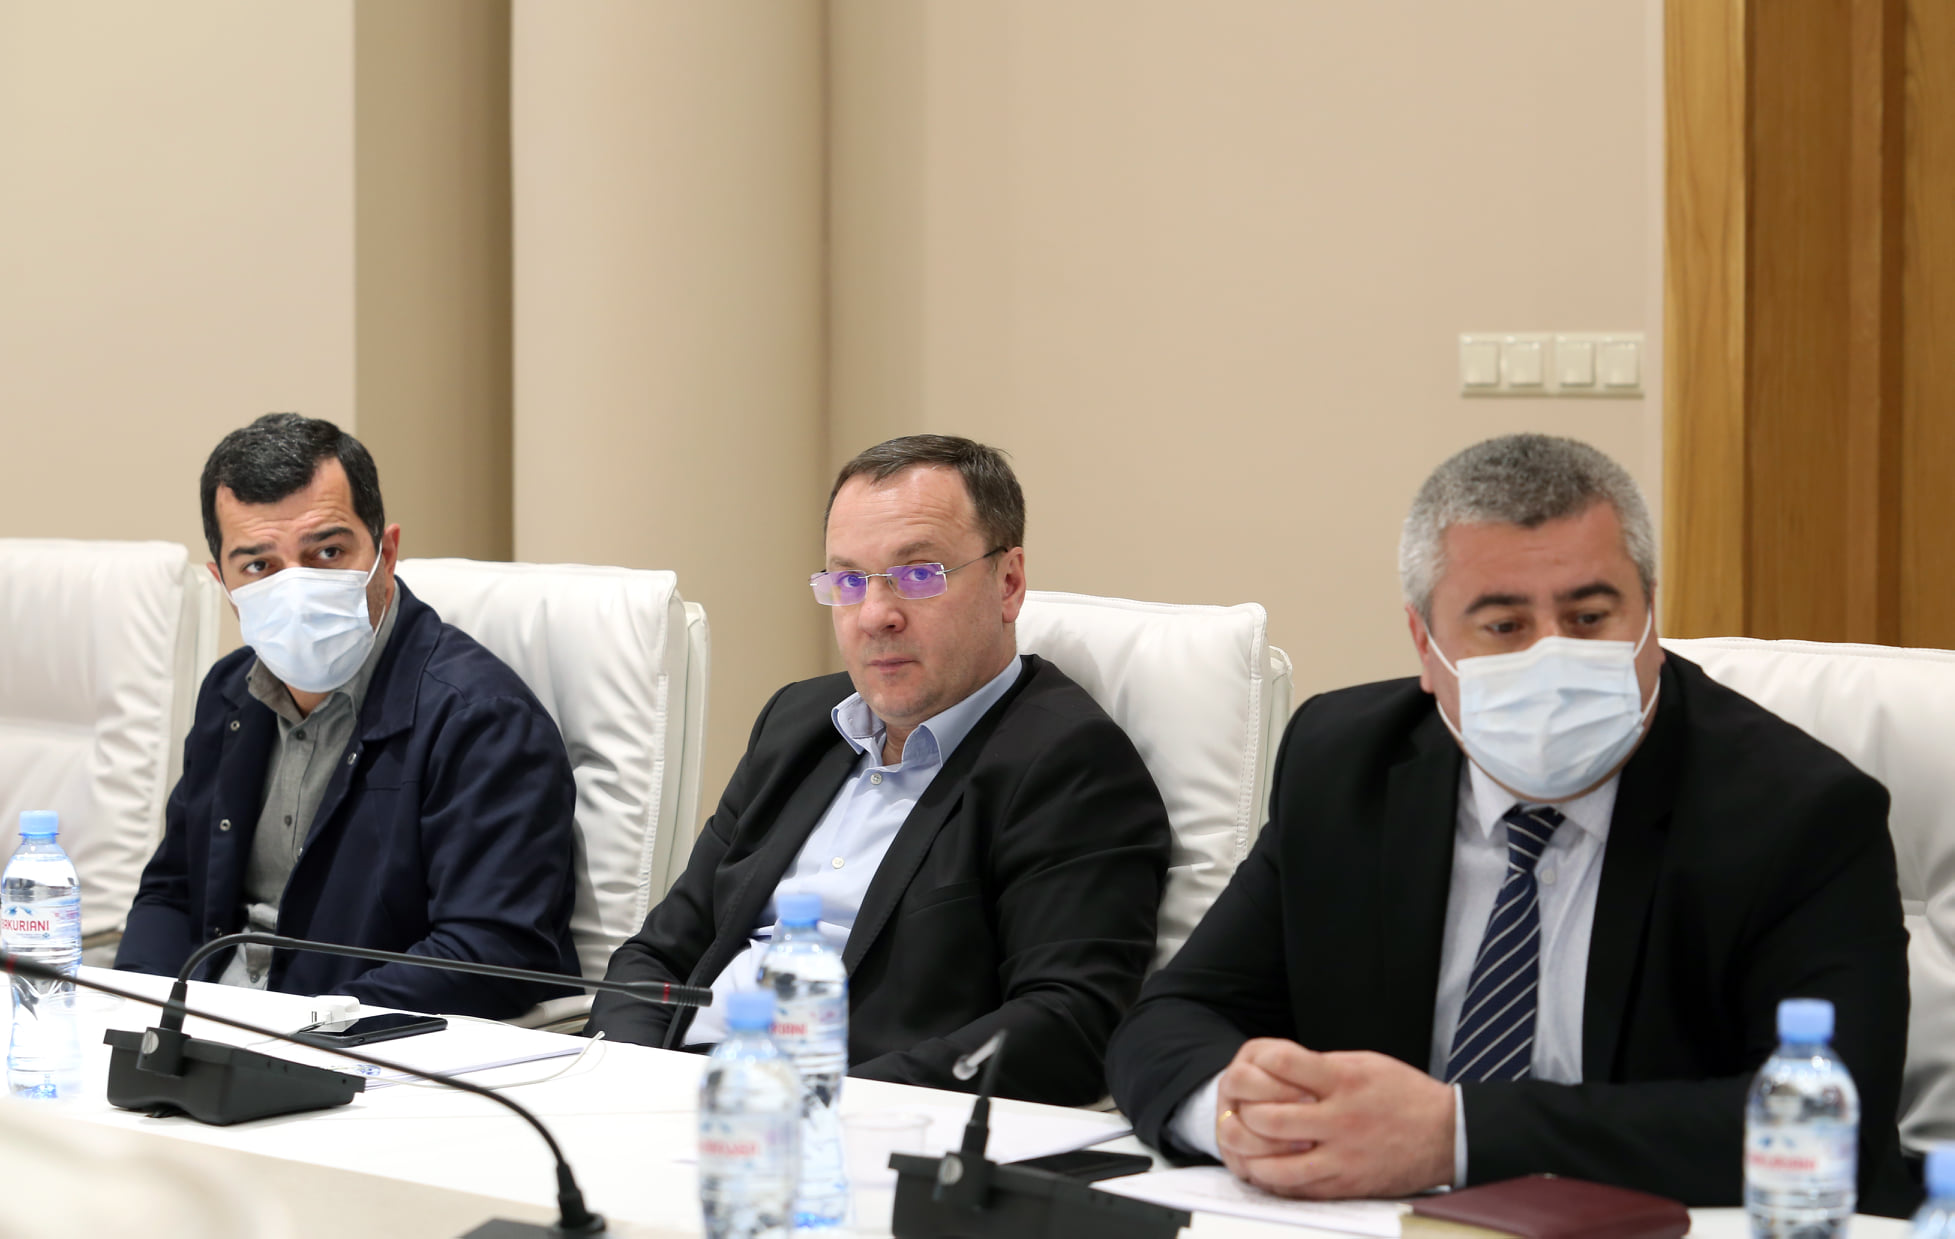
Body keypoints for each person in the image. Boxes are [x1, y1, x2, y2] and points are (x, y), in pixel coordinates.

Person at [1105, 433, 1914, 1213]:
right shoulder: (1342, 764)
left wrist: (1454, 1136)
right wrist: (1238, 1110)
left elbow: (1828, 1124)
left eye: (1589, 616)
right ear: (1425, 645)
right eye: (1503, 625)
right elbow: (1171, 1019)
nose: (1551, 655)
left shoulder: (1799, 812)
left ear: (1649, 617)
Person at [588, 434, 1171, 1104]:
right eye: (848, 581)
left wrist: (826, 1107)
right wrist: (629, 1077)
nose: (874, 615)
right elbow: (660, 952)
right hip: (675, 1094)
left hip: (855, 1119)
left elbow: (1067, 1022)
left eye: (918, 575)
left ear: (1008, 584)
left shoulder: (1069, 763)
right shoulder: (797, 722)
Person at [115, 414, 580, 1019]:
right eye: (258, 566)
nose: (296, 588)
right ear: (222, 584)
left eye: (328, 552)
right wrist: (134, 1013)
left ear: (386, 553)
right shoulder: (229, 693)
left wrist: (299, 1027)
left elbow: (490, 955)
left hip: (357, 1044)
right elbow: (173, 892)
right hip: (213, 1028)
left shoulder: (482, 721)